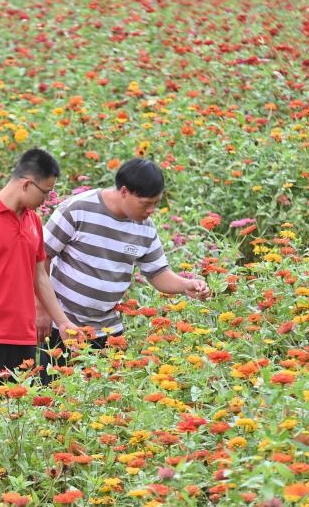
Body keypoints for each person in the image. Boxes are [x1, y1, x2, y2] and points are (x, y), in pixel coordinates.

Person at [37, 158, 210, 377]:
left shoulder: (145, 228)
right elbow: (40, 258)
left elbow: (157, 273)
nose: (151, 211)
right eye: (146, 204)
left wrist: (187, 285)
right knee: (57, 396)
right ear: (125, 191)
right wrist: (42, 309)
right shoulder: (78, 208)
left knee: (108, 402)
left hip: (108, 331)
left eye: (155, 203)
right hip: (64, 326)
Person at [0, 148, 79, 429]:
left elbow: (40, 278)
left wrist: (63, 322)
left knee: (14, 422)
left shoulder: (33, 221)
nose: (46, 201)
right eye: (45, 192)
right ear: (26, 183)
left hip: (22, 337)